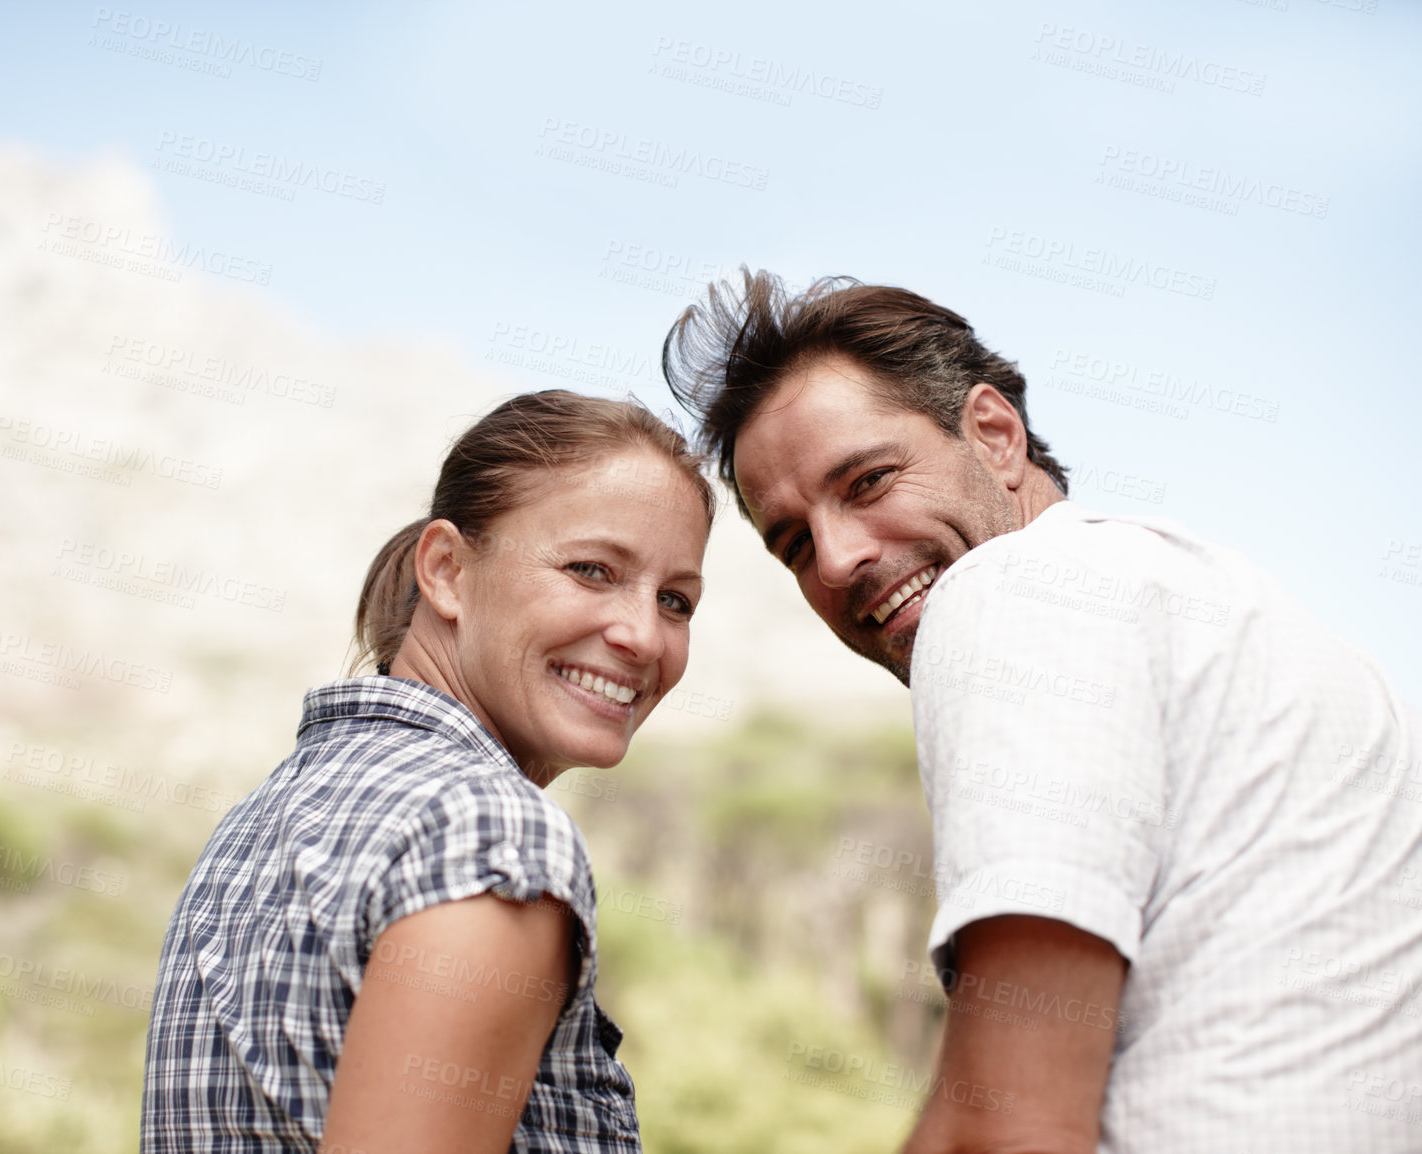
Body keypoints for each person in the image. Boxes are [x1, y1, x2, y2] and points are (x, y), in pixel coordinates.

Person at [663, 272, 1422, 1153]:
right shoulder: (1245, 617)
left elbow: (1008, 1131)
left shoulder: (1010, 590)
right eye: (793, 543)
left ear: (994, 433)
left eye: (868, 481)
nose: (836, 562)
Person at [140, 389, 713, 1154]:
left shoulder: (264, 816)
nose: (644, 635)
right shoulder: (491, 833)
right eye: (592, 569)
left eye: (675, 600)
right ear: (445, 570)